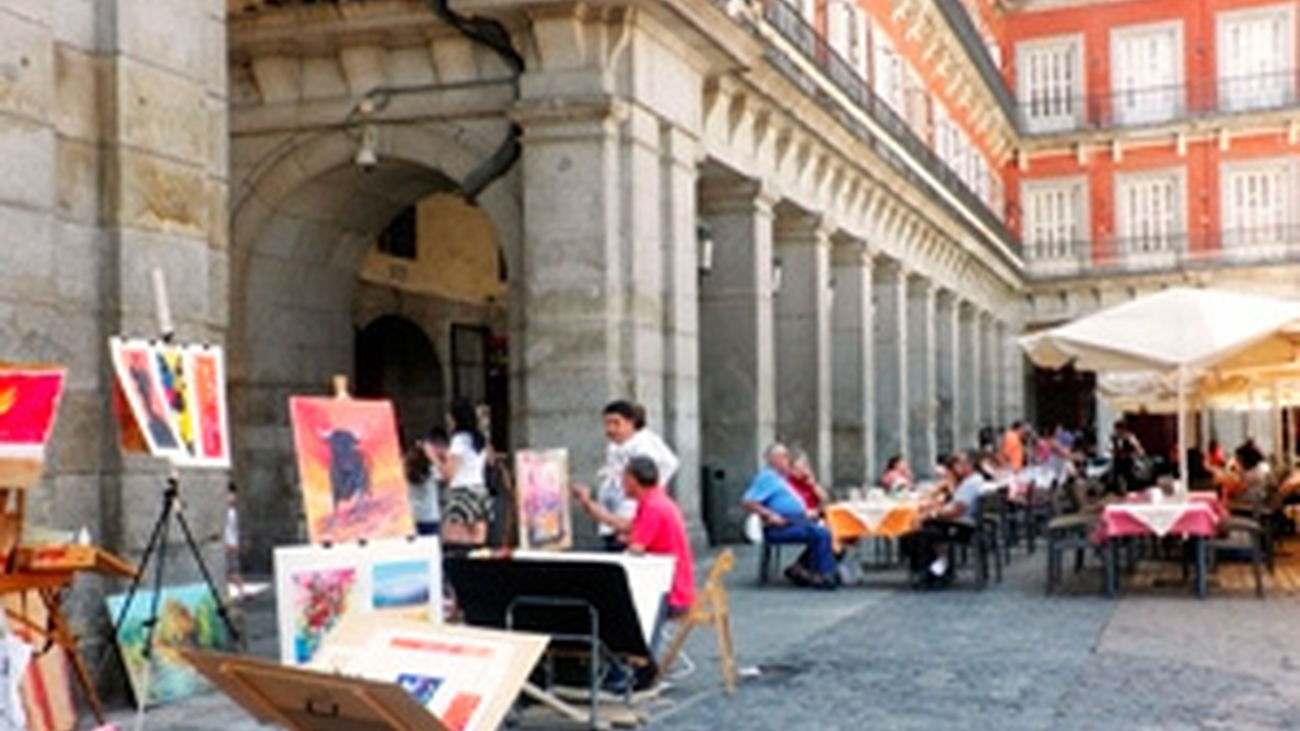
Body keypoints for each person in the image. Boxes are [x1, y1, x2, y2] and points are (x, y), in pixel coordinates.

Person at [573, 456, 696, 616]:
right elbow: (624, 525)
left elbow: (634, 551)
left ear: (632, 480)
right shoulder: (655, 500)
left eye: (623, 478)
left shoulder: (653, 507)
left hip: (670, 593)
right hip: (671, 585)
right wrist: (588, 504)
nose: (621, 483)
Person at [742, 443, 837, 589]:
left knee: (830, 532)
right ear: (774, 459)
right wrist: (770, 515)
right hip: (779, 527)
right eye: (784, 456)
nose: (788, 459)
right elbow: (748, 502)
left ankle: (808, 570)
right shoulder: (767, 478)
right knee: (820, 534)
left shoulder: (782, 478)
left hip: (795, 521)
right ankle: (823, 574)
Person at [594, 400, 679, 551]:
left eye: (616, 423)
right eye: (607, 424)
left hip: (629, 518)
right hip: (615, 516)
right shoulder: (616, 446)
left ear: (630, 423)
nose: (611, 429)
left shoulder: (644, 446)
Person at [905, 451, 985, 588]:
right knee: (918, 527)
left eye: (958, 464)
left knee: (915, 533)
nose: (955, 468)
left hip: (959, 525)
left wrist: (933, 514)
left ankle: (931, 572)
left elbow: (956, 511)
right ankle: (935, 569)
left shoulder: (970, 484)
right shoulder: (973, 481)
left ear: (968, 465)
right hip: (957, 522)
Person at [440, 400, 491, 546]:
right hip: (479, 491)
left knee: (452, 538)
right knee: (478, 539)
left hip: (461, 493)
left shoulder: (459, 440)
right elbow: (490, 461)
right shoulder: (480, 440)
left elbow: (449, 474)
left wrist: (436, 459)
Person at [405, 426, 447, 537]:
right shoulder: (433, 469)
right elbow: (447, 476)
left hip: (411, 517)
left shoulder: (407, 467)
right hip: (430, 517)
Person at [1109, 419, 1144, 495]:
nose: (1117, 431)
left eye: (1118, 429)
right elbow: (1112, 448)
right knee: (1114, 478)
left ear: (1123, 429)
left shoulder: (1129, 437)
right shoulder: (1114, 437)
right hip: (1117, 460)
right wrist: (1113, 452)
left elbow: (1138, 449)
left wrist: (1133, 454)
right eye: (1116, 429)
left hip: (1128, 460)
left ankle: (1132, 492)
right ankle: (1118, 493)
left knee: (1130, 478)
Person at [225, 483, 245, 600]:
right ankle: (238, 592)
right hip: (228, 544)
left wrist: (234, 543)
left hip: (231, 544)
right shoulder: (227, 512)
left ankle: (240, 592)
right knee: (230, 571)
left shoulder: (232, 512)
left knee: (233, 570)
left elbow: (233, 530)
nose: (232, 497)